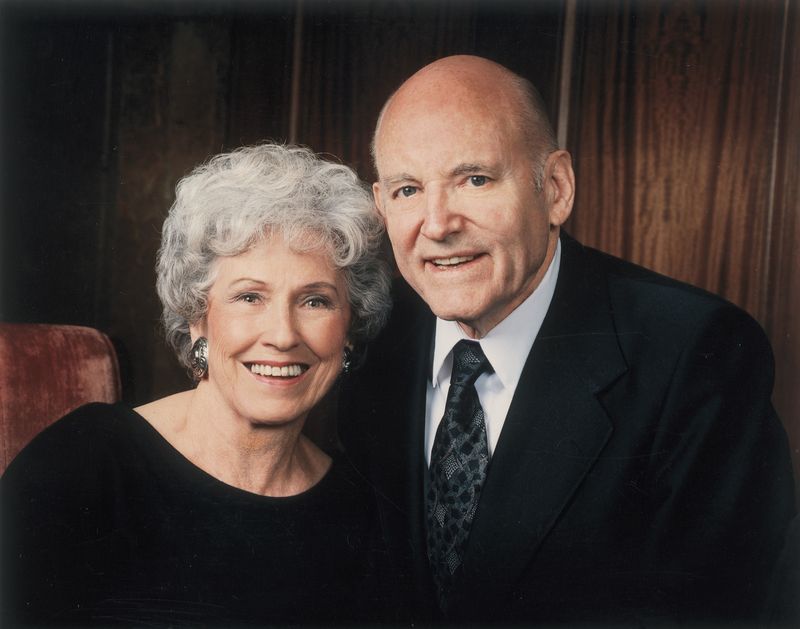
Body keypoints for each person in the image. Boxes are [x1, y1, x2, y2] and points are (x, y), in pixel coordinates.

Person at [339, 55, 796, 625]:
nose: (436, 224)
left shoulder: (692, 353)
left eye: (474, 180)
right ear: (381, 206)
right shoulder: (363, 338)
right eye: (408, 190)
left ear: (555, 188)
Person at [1, 143, 396, 626]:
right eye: (249, 296)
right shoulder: (83, 463)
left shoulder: (363, 514)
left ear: (350, 330)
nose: (282, 335)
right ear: (196, 319)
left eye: (315, 301)